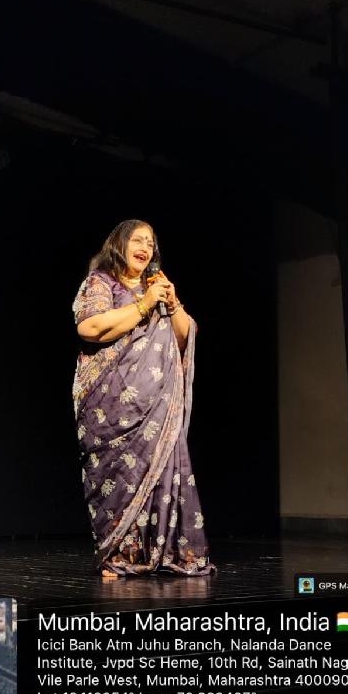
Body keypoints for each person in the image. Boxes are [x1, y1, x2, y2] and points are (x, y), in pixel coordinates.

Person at [71, 219, 216, 578]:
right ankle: (120, 553)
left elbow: (185, 336)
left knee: (164, 473)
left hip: (158, 406)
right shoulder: (101, 282)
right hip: (112, 406)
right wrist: (143, 305)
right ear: (119, 244)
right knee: (120, 477)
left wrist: (172, 302)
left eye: (150, 243)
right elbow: (90, 327)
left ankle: (167, 552)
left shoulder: (156, 286)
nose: (145, 248)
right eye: (138, 240)